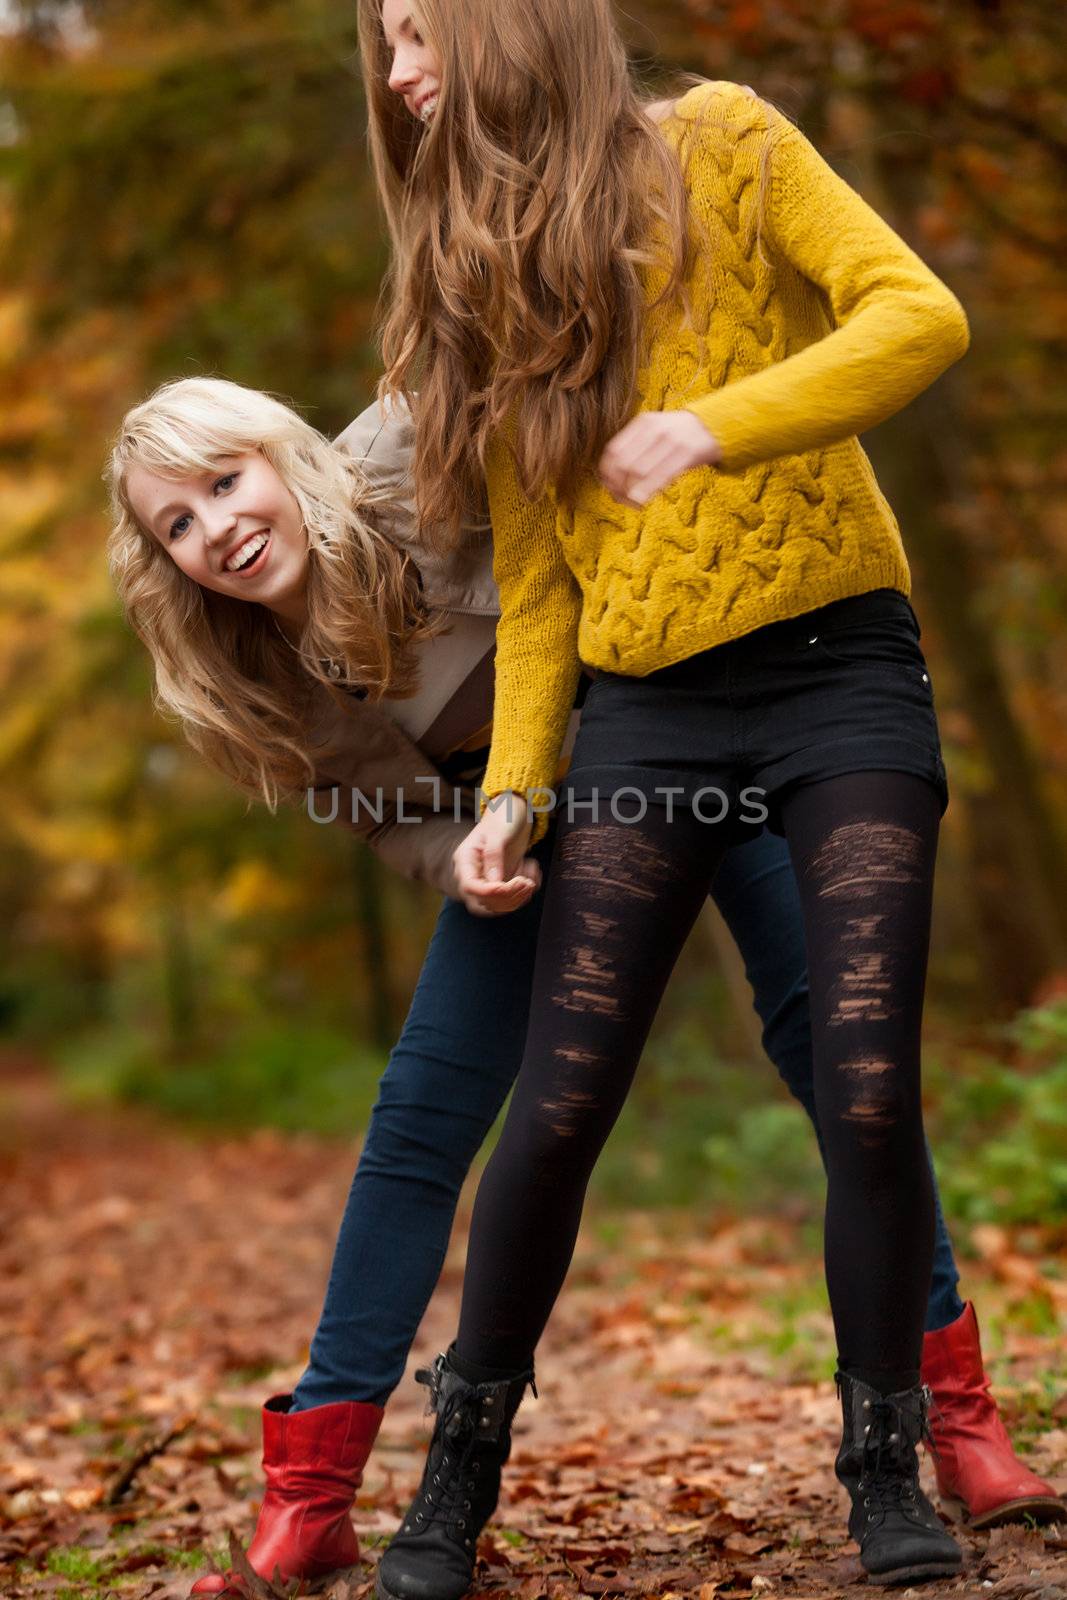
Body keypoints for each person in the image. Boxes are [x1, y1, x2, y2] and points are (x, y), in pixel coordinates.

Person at [106, 377, 1059, 1599]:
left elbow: (538, 400)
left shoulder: (409, 455)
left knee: (840, 1064)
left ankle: (954, 1418)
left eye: (223, 481)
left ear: (277, 454)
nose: (215, 530)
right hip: (526, 848)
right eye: (175, 525)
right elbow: (368, 807)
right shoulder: (251, 668)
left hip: (685, 750)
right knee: (417, 1126)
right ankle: (310, 1498)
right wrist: (454, 858)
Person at [354, 0, 1062, 1593]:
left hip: (838, 677)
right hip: (647, 719)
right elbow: (537, 592)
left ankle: (883, 1462)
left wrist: (713, 424)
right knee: (560, 1099)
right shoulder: (481, 282)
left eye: (414, 34)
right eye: (382, 45)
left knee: (866, 1081)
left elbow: (917, 312)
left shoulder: (726, 142)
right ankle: (451, 1483)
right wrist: (514, 796)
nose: (398, 76)